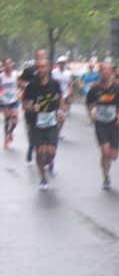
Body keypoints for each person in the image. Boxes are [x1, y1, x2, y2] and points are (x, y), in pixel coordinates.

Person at [22, 52, 65, 190]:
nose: (40, 69)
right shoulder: (31, 86)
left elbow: (60, 98)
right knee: (40, 152)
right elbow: (24, 104)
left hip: (52, 123)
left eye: (43, 67)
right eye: (38, 67)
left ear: (48, 68)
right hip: (37, 124)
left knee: (51, 153)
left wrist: (61, 112)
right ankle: (43, 179)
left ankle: (50, 162)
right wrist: (31, 107)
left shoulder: (54, 84)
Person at [86, 60, 119, 190]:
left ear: (111, 72)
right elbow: (89, 104)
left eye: (107, 69)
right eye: (102, 69)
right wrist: (91, 113)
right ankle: (106, 177)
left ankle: (106, 166)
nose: (105, 71)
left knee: (113, 156)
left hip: (114, 124)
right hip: (100, 123)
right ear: (99, 72)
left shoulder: (117, 89)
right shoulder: (94, 89)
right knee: (105, 152)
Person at [1, 57, 21, 149]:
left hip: (14, 100)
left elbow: (21, 86)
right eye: (6, 64)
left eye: (10, 63)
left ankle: (10, 133)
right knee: (7, 120)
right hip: (4, 101)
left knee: (14, 120)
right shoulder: (1, 76)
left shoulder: (15, 75)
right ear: (4, 65)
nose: (8, 65)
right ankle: (6, 140)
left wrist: (19, 94)